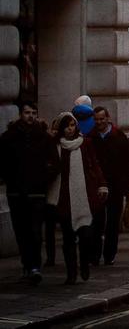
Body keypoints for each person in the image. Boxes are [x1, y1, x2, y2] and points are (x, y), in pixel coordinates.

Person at [0, 102, 59, 284]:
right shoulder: (9, 137)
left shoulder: (43, 137)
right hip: (16, 191)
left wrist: (43, 179)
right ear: (21, 114)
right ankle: (27, 264)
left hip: (36, 192)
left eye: (33, 113)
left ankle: (35, 266)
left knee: (35, 231)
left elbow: (55, 163)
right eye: (27, 113)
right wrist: (8, 178)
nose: (30, 116)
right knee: (21, 231)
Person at [47, 113, 107, 284]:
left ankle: (84, 263)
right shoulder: (56, 145)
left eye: (73, 125)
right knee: (68, 239)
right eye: (67, 126)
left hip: (83, 196)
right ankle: (71, 273)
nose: (70, 129)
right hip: (64, 197)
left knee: (86, 235)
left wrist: (102, 184)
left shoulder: (85, 143)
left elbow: (94, 165)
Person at [89, 106, 129, 266]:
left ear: (108, 118)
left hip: (115, 185)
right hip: (97, 186)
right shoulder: (91, 137)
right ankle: (94, 255)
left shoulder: (119, 136)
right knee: (96, 222)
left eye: (102, 119)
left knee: (113, 223)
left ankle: (109, 254)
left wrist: (128, 181)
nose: (99, 122)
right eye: (96, 119)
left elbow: (128, 161)